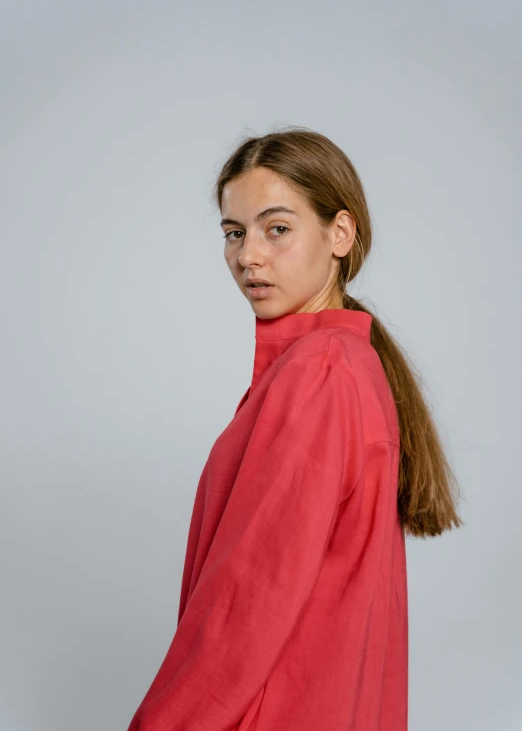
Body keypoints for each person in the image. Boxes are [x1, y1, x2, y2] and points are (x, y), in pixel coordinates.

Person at [126, 127, 463, 730]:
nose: (248, 255)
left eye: (276, 228)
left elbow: (253, 593)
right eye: (234, 232)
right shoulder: (338, 364)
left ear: (341, 233)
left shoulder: (319, 372)